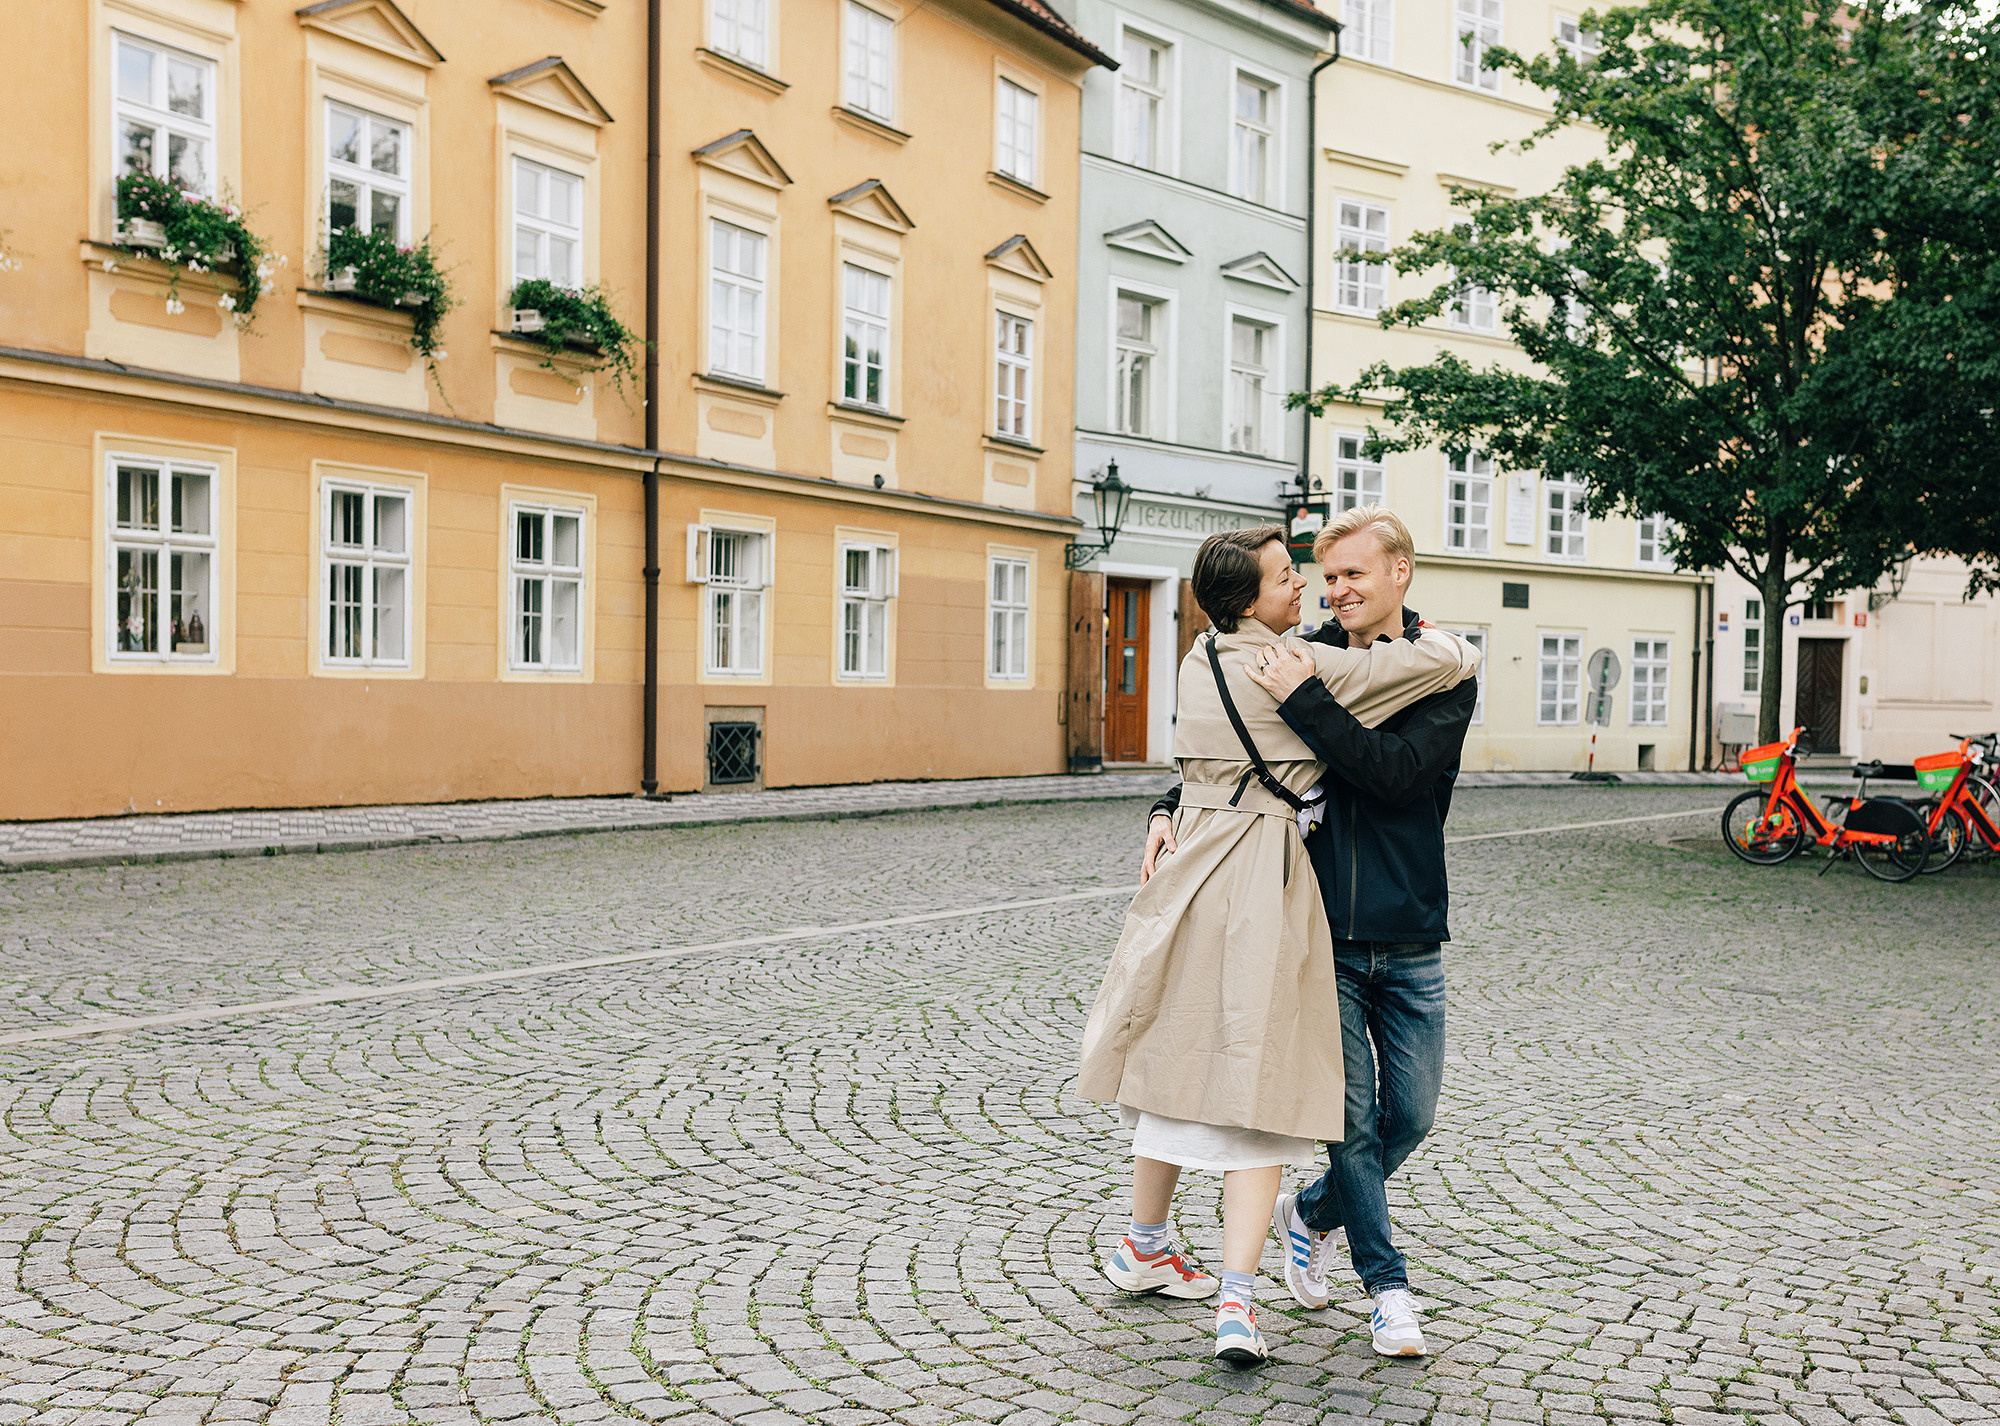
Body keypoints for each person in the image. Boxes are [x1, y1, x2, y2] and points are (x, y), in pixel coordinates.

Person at [1079, 524, 1480, 1369]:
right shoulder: (1304, 654)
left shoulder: (1241, 658)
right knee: (1311, 1111)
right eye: (1306, 575)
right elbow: (1240, 743)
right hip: (1301, 915)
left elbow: (1392, 771)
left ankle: (1262, 1222)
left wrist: (1297, 709)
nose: (1323, 588)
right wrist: (1168, 804)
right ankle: (1365, 1290)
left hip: (1385, 916)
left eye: (1343, 573)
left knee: (1405, 1116)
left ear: (1398, 573)